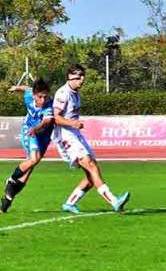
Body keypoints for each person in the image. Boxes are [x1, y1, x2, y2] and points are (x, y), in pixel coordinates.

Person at [52, 64, 130, 213]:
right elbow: (55, 118)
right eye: (78, 76)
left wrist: (74, 125)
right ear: (70, 77)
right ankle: (114, 201)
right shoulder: (63, 93)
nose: (82, 79)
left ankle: (69, 203)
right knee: (92, 167)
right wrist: (73, 123)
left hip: (75, 134)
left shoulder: (75, 93)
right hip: (66, 136)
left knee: (91, 174)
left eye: (82, 76)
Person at [1, 79, 54, 213]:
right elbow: (27, 88)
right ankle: (11, 180)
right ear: (35, 95)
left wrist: (38, 128)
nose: (43, 99)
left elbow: (47, 122)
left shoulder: (49, 104)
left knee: (29, 169)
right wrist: (15, 87)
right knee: (34, 159)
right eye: (40, 96)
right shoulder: (29, 95)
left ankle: (7, 200)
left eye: (45, 96)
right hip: (29, 131)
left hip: (43, 135)